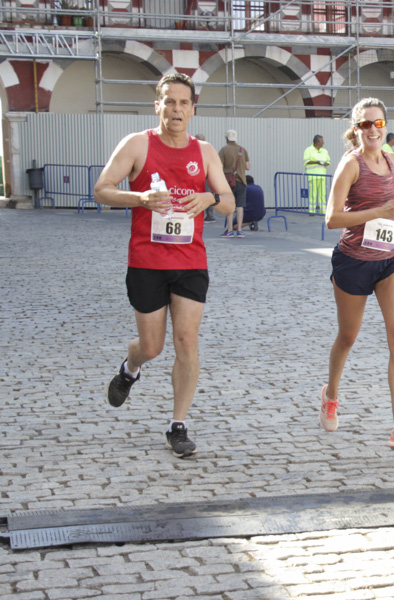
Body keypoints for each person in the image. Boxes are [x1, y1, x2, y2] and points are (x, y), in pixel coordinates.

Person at [92, 73, 235, 458]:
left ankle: (178, 424)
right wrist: (139, 198)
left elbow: (228, 202)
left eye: (183, 103)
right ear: (158, 105)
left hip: (190, 261)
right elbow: (101, 189)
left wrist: (208, 197)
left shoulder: (204, 152)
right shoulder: (138, 144)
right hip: (147, 261)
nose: (176, 109)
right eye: (169, 102)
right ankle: (130, 368)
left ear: (192, 109)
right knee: (152, 346)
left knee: (187, 340)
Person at [321, 97, 394, 448]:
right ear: (355, 129)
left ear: (386, 126)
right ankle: (331, 392)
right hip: (354, 260)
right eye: (365, 124)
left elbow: (391, 210)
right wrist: (380, 210)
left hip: (391, 257)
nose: (373, 130)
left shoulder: (393, 160)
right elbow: (332, 218)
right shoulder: (351, 165)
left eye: (378, 123)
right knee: (348, 337)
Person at [218, 129, 250, 238]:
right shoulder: (242, 150)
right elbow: (247, 167)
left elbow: (218, 165)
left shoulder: (224, 150)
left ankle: (230, 230)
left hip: (228, 181)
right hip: (241, 180)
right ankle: (240, 230)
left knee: (230, 205)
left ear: (227, 138)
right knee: (240, 206)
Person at [303, 135, 331, 214]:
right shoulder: (308, 150)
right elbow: (306, 161)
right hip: (313, 175)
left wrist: (326, 163)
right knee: (313, 193)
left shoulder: (324, 151)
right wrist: (317, 162)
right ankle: (312, 210)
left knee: (322, 194)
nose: (323, 143)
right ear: (317, 142)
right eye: (322, 141)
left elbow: (328, 161)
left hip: (322, 175)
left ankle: (323, 210)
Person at [197, 134, 217, 223]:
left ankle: (201, 214)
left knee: (200, 194)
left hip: (200, 176)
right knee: (208, 194)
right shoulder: (209, 150)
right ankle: (210, 215)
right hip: (207, 176)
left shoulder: (195, 150)